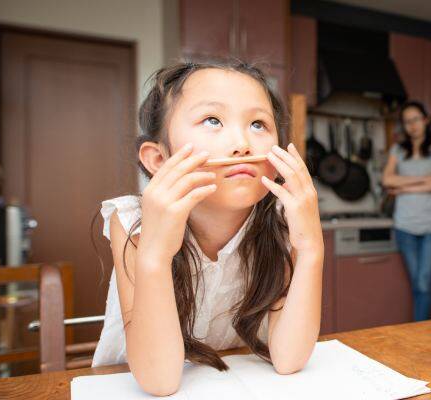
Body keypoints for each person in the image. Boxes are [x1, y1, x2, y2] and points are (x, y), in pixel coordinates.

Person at [92, 60, 323, 396]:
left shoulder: (280, 224)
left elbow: (289, 359)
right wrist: (155, 255)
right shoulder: (131, 221)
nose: (243, 143)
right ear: (158, 160)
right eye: (213, 120)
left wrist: (312, 248)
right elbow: (159, 381)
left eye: (258, 124)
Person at [382, 101, 431, 322]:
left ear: (426, 120)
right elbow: (387, 179)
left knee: (423, 281)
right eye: (407, 121)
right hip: (405, 225)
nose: (412, 125)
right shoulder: (398, 150)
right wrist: (423, 179)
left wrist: (403, 188)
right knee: (417, 283)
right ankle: (421, 330)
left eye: (416, 119)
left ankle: (421, 331)